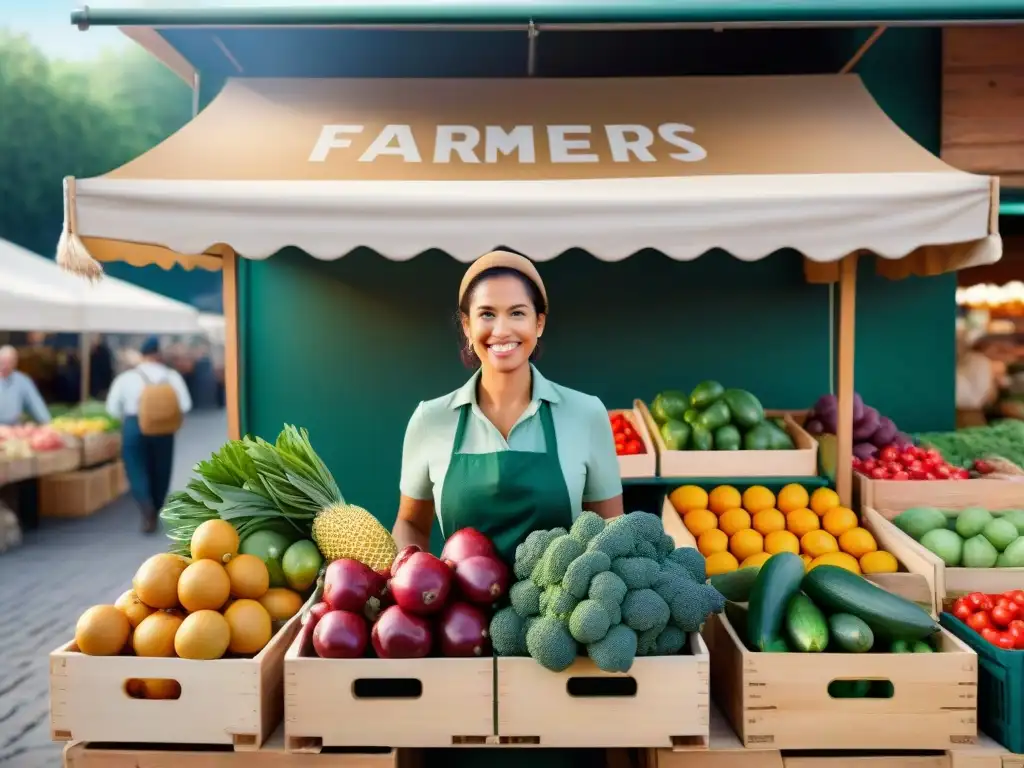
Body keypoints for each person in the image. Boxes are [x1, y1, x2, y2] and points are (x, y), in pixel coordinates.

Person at [393, 250, 624, 566]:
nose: (501, 330)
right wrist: (412, 582)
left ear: (539, 323)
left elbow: (610, 534)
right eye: (487, 314)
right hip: (462, 614)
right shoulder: (430, 420)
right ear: (466, 326)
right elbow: (411, 525)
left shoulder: (586, 415)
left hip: (557, 612)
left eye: (517, 313)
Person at [106, 337, 193, 533]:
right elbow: (186, 404)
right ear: (158, 354)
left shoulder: (127, 377)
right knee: (161, 469)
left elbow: (112, 408)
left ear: (142, 355)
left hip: (134, 425)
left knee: (135, 467)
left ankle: (146, 506)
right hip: (164, 428)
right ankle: (157, 504)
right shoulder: (171, 376)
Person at [0, 345, 51, 426]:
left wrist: (46, 423)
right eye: (3, 362)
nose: (6, 366)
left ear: (15, 363)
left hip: (14, 429)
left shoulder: (22, 380)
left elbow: (36, 404)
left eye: (9, 362)